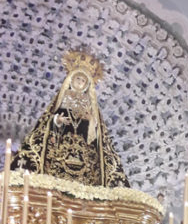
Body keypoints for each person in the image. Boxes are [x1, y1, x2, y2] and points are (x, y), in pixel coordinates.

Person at [12, 49, 129, 187]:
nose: (80, 82)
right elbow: (46, 124)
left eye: (83, 80)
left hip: (84, 156)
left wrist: (92, 121)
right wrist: (57, 121)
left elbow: (97, 138)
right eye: (78, 79)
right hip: (59, 151)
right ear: (71, 79)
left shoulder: (91, 105)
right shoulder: (63, 98)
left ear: (87, 84)